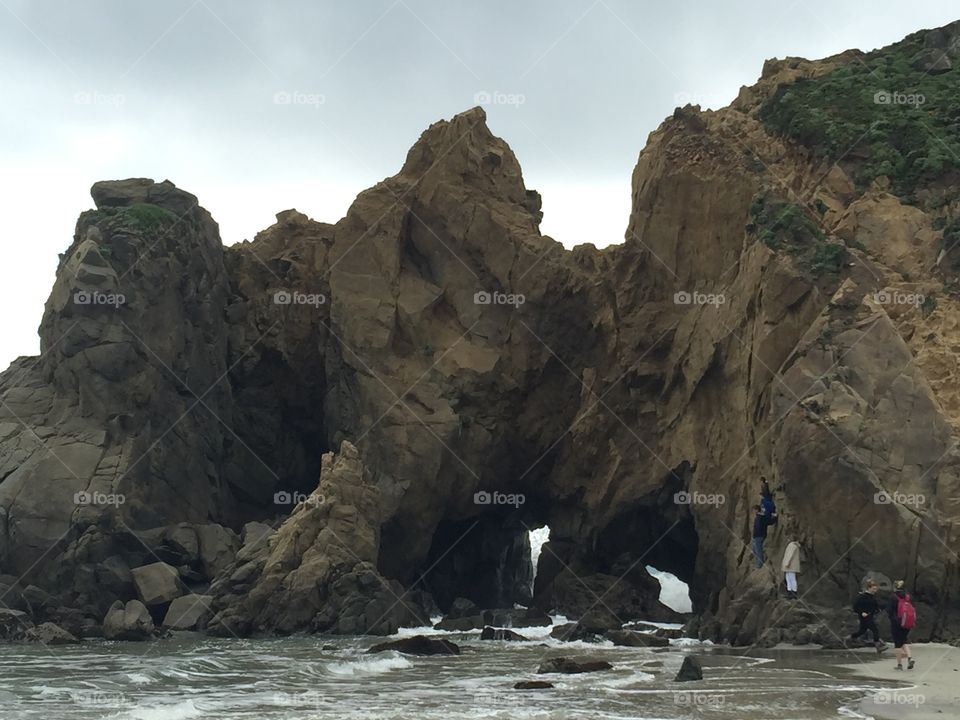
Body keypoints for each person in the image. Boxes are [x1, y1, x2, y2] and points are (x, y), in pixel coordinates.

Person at [850, 580, 887, 654]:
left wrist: (878, 610)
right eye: (873, 589)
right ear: (869, 588)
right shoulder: (862, 596)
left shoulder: (873, 597)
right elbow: (855, 607)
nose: (875, 590)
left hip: (870, 616)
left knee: (862, 631)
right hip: (864, 617)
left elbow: (875, 606)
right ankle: (878, 647)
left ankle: (850, 638)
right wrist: (862, 612)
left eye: (875, 589)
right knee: (875, 630)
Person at [887, 580, 916, 670]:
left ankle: (899, 665)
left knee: (897, 644)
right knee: (904, 641)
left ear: (894, 587)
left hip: (896, 622)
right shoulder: (908, 597)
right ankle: (910, 658)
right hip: (907, 622)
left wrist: (892, 619)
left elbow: (889, 610)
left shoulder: (893, 597)